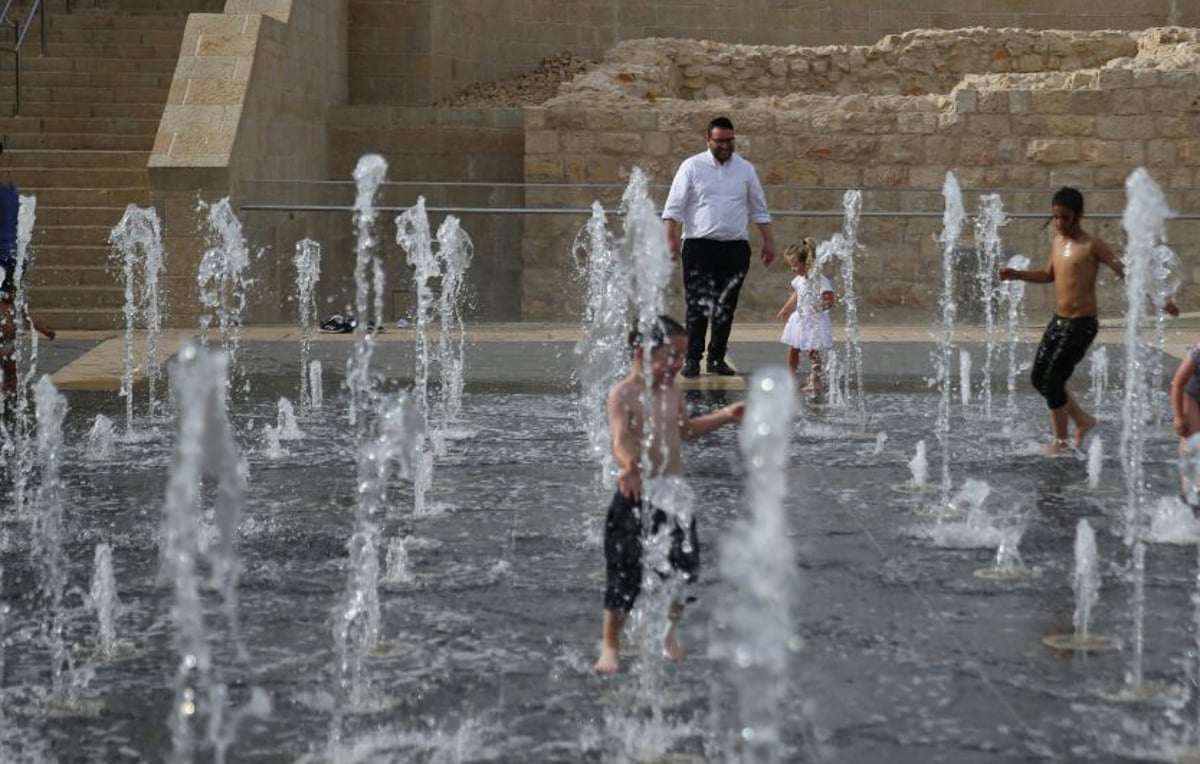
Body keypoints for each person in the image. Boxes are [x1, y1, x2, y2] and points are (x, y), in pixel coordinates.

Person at [594, 315, 745, 674]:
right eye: (670, 356)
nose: (677, 365)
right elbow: (620, 439)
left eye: (681, 356)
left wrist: (725, 415)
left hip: (674, 495)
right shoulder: (623, 394)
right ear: (642, 354)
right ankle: (610, 645)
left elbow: (685, 430)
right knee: (624, 575)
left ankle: (667, 632)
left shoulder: (672, 392)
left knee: (684, 572)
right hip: (636, 495)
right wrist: (630, 466)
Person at [999, 186, 1178, 455]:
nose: (1059, 223)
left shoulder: (1092, 245)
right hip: (1058, 321)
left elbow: (1126, 273)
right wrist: (1018, 274)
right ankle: (1082, 420)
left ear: (1079, 215)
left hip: (1081, 324)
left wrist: (1160, 300)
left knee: (1054, 380)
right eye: (1055, 217)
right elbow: (1048, 275)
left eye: (1065, 218)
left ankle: (1060, 441)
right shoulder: (1057, 242)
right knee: (1039, 379)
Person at [663, 116, 776, 379]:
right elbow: (674, 207)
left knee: (726, 305)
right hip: (698, 246)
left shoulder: (746, 169)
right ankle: (692, 359)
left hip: (735, 248)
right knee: (698, 305)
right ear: (708, 140)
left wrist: (768, 241)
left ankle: (716, 357)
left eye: (730, 140)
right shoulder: (691, 166)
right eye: (720, 141)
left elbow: (758, 208)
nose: (726, 145)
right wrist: (669, 238)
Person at [775, 238, 835, 393]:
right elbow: (796, 295)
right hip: (799, 320)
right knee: (793, 348)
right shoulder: (799, 280)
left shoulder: (820, 280)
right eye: (791, 266)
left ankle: (816, 381)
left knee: (812, 352)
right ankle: (790, 377)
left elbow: (830, 300)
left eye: (795, 265)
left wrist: (820, 306)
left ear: (807, 263)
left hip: (814, 320)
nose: (793, 269)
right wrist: (786, 309)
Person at [0, 273, 55, 411]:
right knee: (5, 360)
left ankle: (10, 393)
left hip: (10, 342)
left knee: (11, 369)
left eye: (15, 291)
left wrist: (46, 331)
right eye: (9, 292)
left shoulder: (18, 306)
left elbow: (31, 320)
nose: (12, 295)